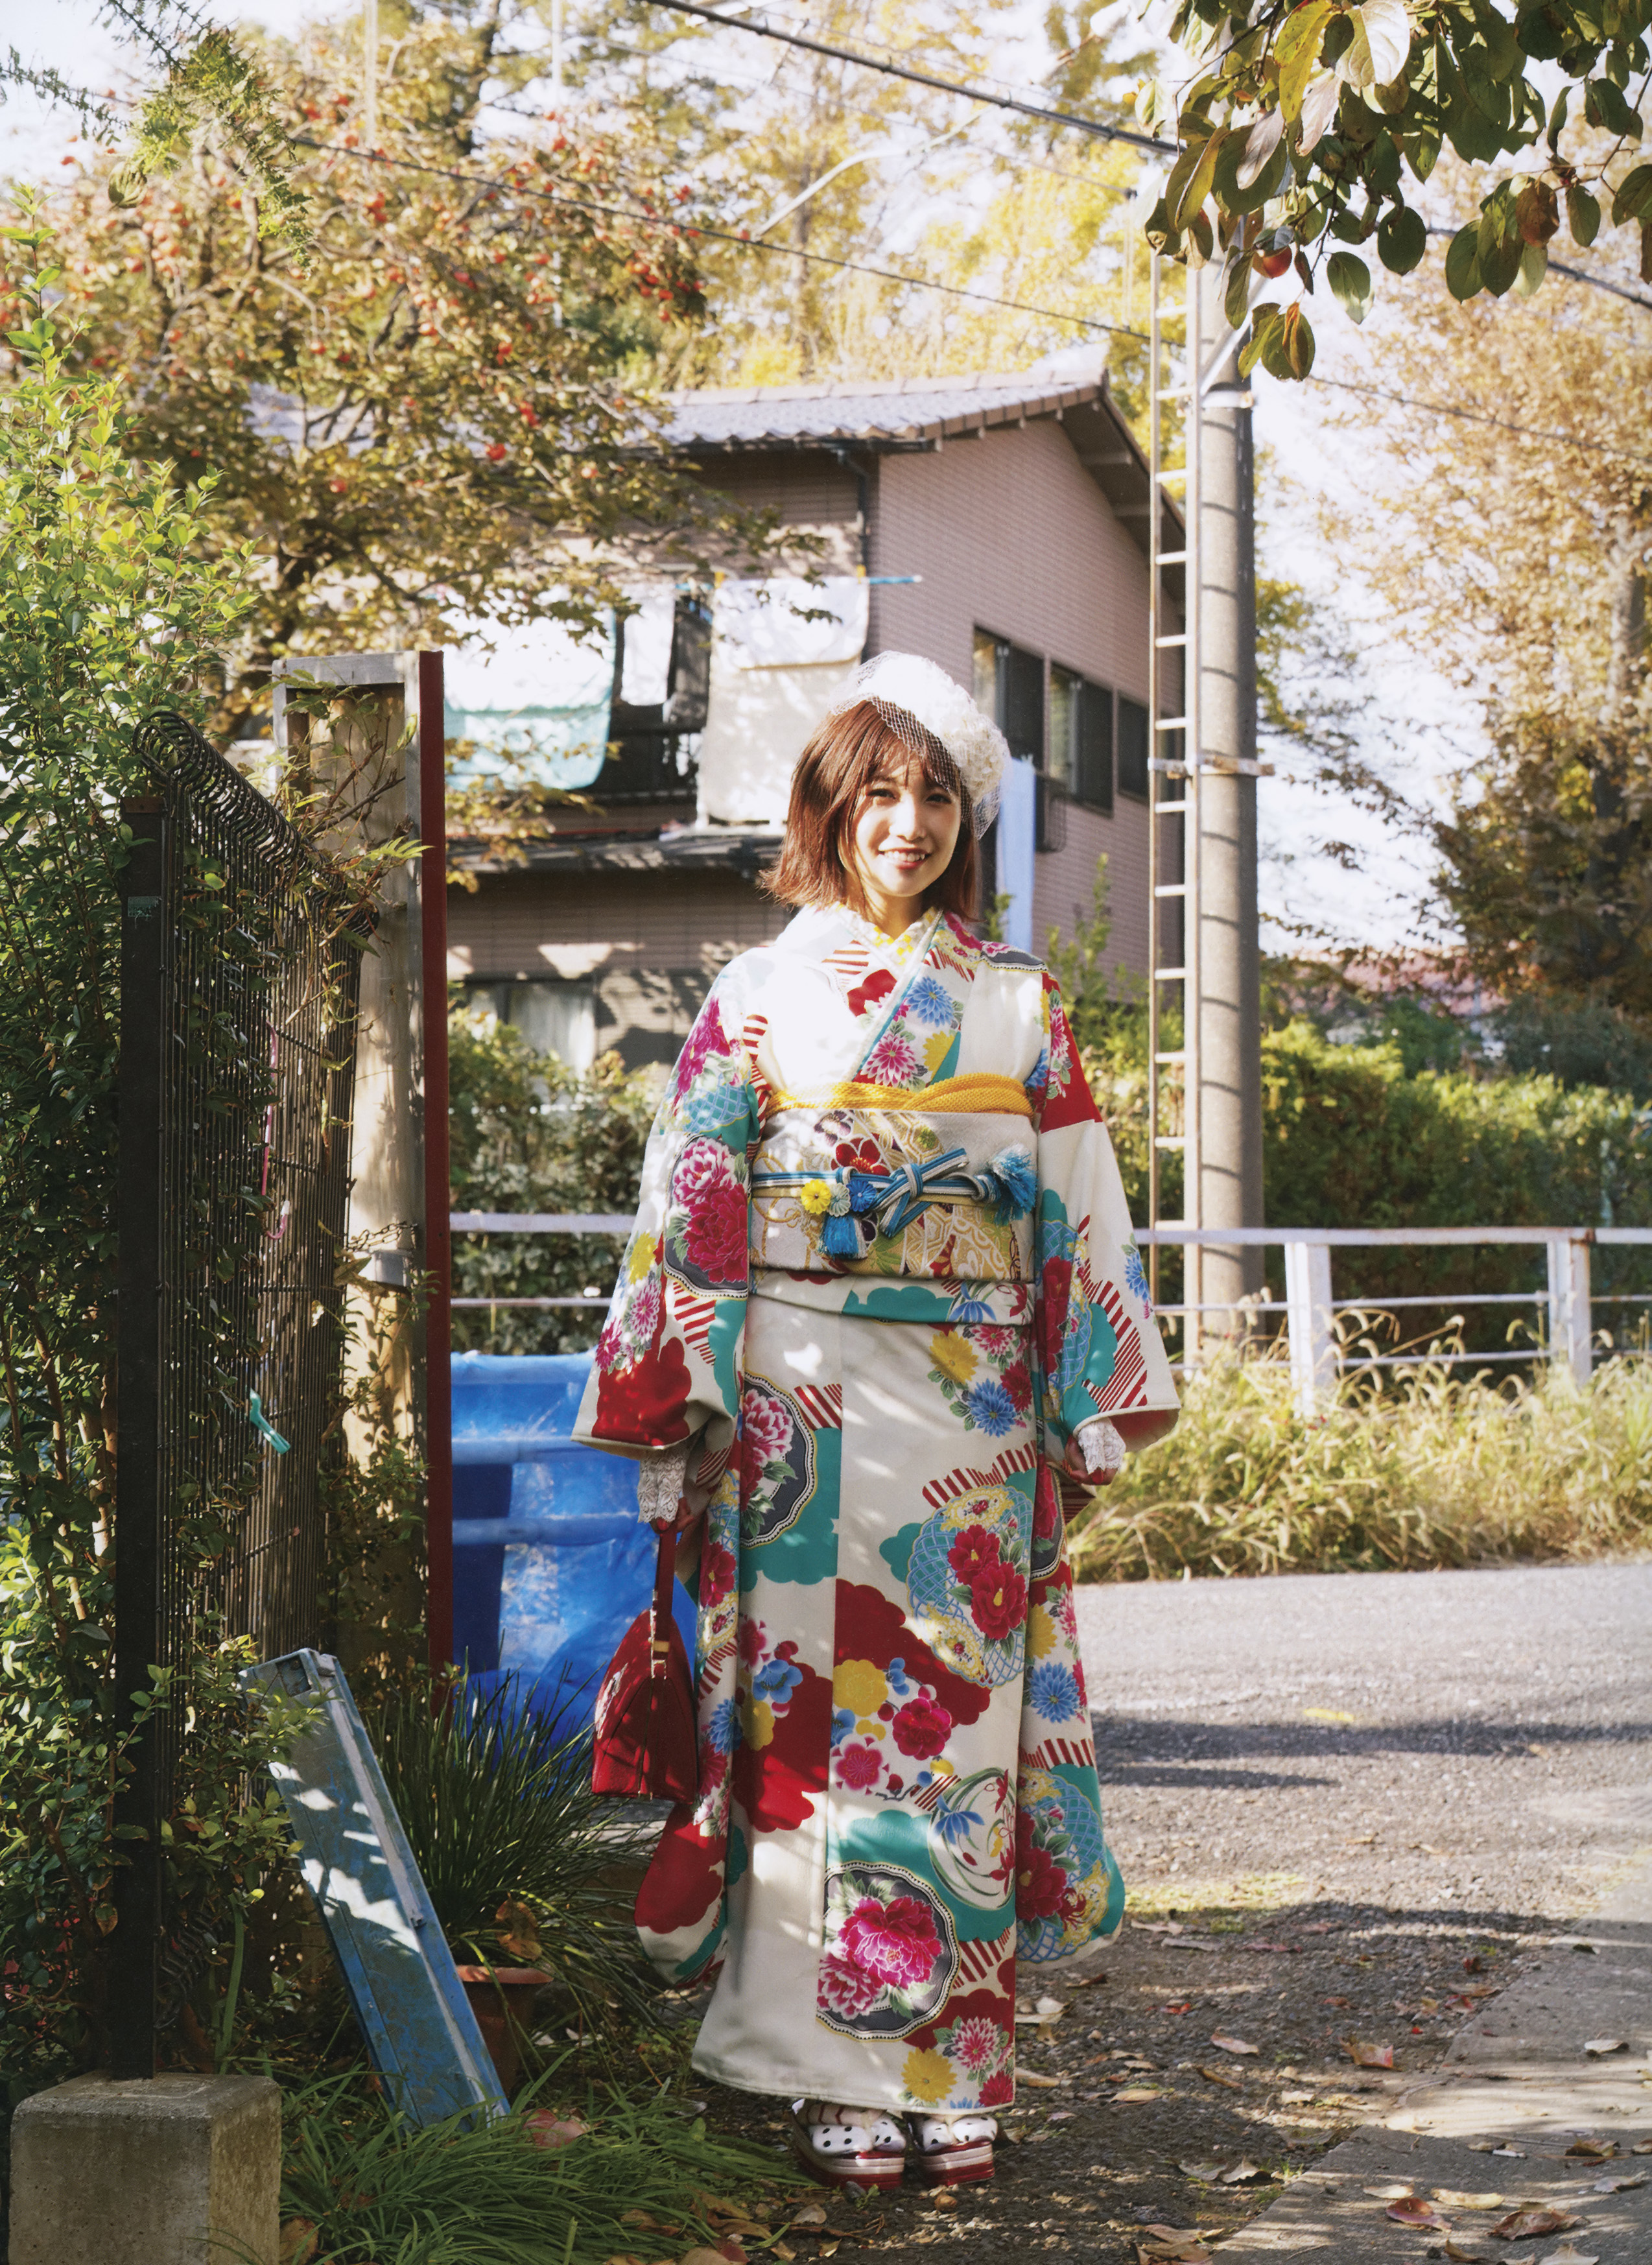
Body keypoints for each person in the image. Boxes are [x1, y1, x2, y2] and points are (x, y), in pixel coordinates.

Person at [575, 650, 1179, 2190]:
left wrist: (1081, 1399)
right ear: (828, 813)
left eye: (935, 798)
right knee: (798, 1738)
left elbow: (1078, 1207)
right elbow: (691, 1200)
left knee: (949, 1726)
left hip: (969, 1405)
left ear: (964, 821)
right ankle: (813, 2067)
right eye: (879, 796)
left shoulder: (1018, 1003)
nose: (907, 824)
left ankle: (947, 2062)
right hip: (793, 1398)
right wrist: (680, 1397)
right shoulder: (754, 993)